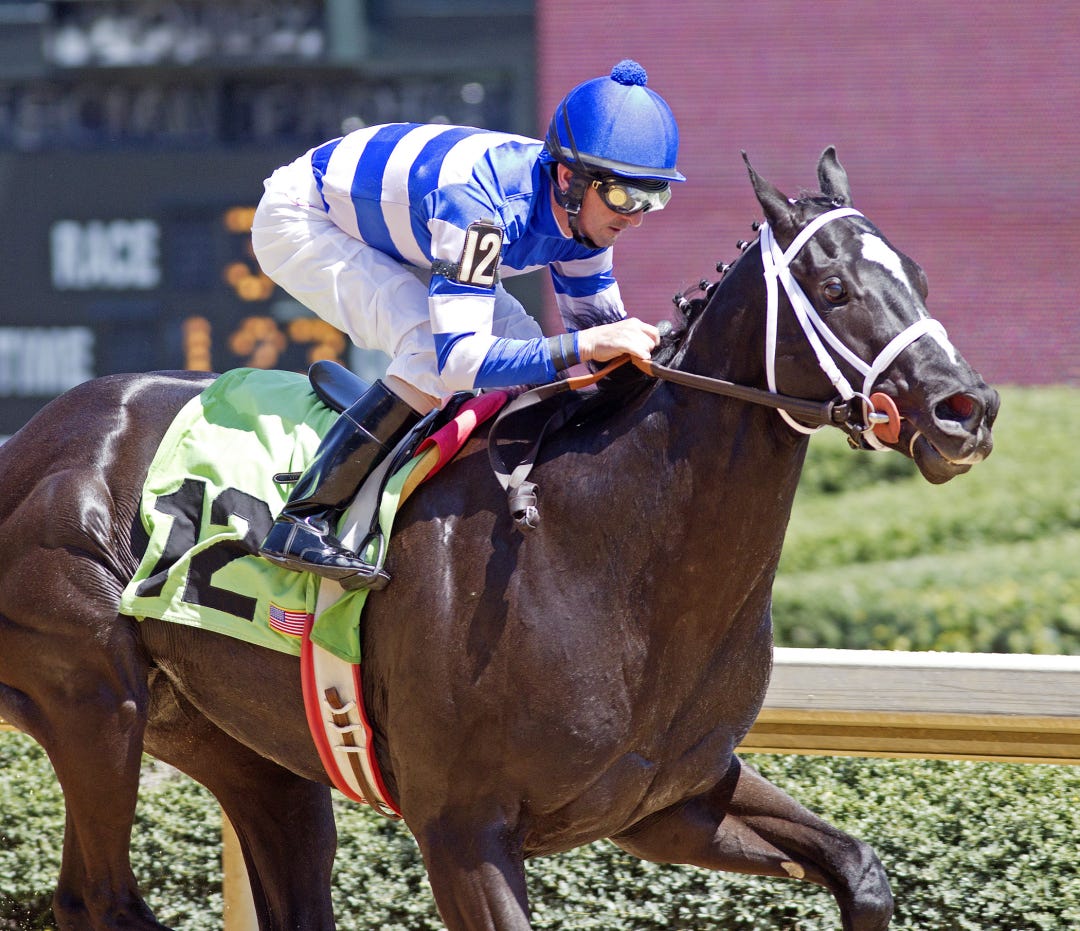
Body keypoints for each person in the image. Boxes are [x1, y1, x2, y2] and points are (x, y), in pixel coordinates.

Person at [251, 59, 685, 590]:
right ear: (569, 179)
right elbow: (461, 360)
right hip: (306, 219)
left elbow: (600, 342)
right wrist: (587, 343)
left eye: (653, 196)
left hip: (408, 232)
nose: (635, 216)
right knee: (429, 349)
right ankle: (305, 517)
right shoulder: (479, 211)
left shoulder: (585, 219)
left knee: (533, 354)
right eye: (624, 195)